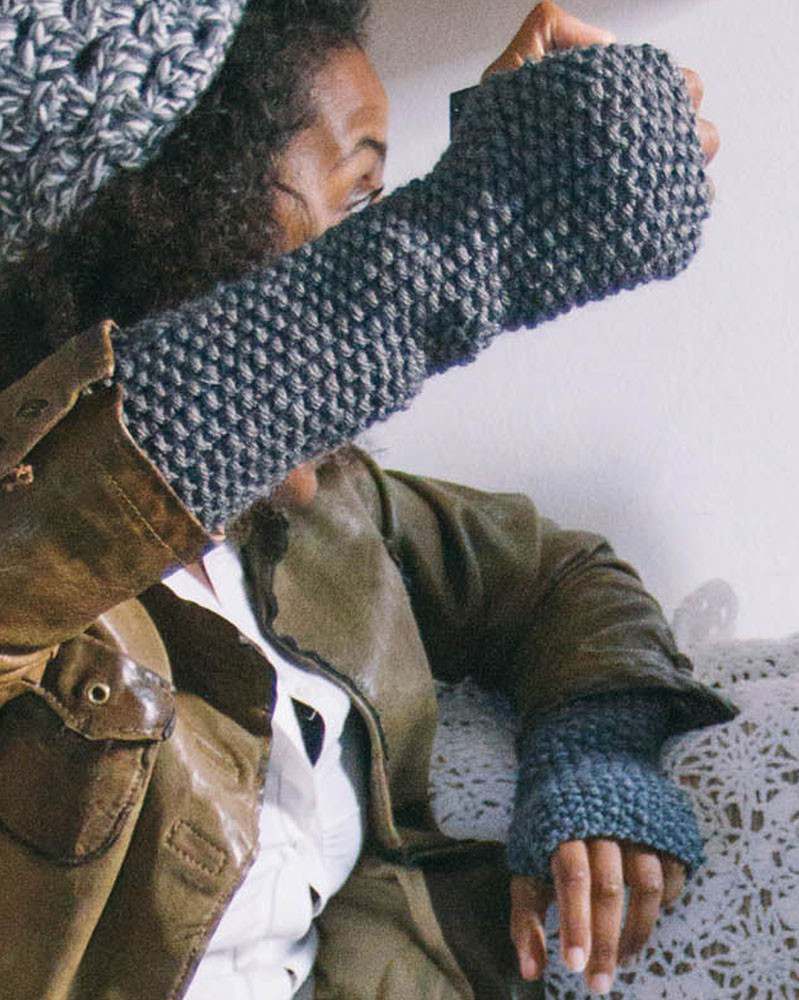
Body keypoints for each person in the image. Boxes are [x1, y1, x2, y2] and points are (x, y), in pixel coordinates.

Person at [0, 2, 732, 999]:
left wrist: (592, 755)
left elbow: (558, 575)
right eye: (359, 201)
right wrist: (479, 229)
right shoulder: (37, 557)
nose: (374, 242)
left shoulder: (325, 509)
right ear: (179, 211)